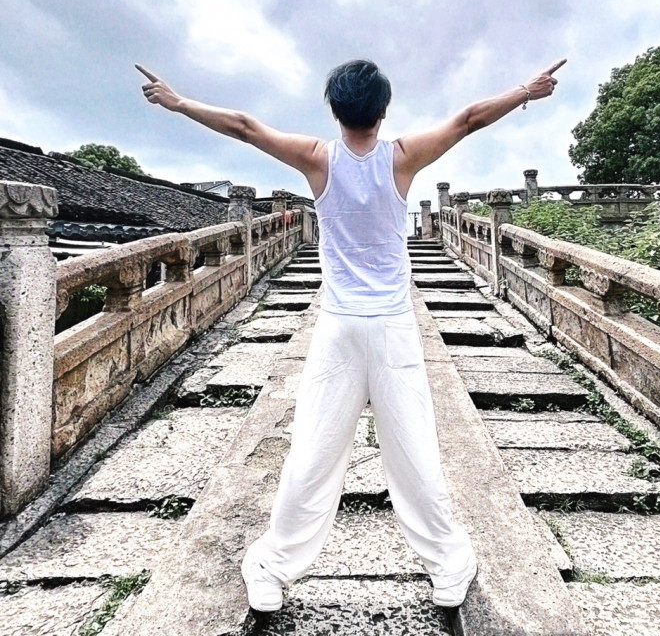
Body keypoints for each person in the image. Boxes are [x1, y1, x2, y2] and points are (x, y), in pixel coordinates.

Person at [136, 57, 565, 612]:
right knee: (413, 451)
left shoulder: (319, 159)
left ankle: (273, 566)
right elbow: (468, 120)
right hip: (391, 327)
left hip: (338, 328)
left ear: (334, 111)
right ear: (383, 111)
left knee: (313, 451)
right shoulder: (402, 157)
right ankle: (447, 564)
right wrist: (526, 89)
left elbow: (243, 126)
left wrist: (179, 103)